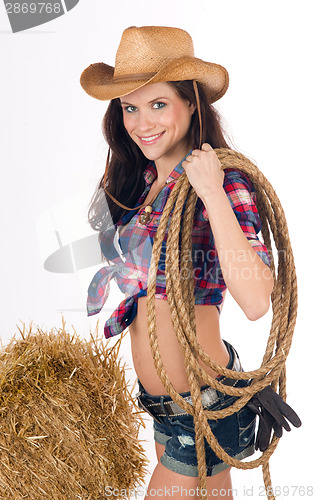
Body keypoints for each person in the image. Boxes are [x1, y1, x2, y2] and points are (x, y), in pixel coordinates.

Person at [80, 26, 274, 499]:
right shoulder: (143, 177)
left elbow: (255, 300)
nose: (141, 122)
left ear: (191, 103)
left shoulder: (223, 181)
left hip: (200, 407)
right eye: (130, 107)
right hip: (166, 408)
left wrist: (209, 189)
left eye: (158, 104)